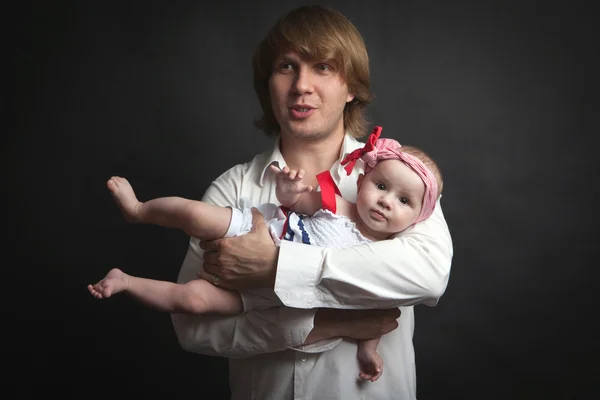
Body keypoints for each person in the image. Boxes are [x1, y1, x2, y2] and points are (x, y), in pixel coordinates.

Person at [171, 5, 453, 399]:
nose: (301, 85)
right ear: (268, 84)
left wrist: (276, 267)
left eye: (323, 67)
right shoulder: (233, 190)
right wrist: (324, 324)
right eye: (287, 66)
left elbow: (428, 275)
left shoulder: (401, 179)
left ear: (351, 87)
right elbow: (193, 328)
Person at [89, 127, 443, 383]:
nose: (386, 201)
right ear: (364, 180)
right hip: (265, 227)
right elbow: (298, 202)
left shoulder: (401, 245)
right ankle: (138, 210)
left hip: (265, 299)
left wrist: (368, 350)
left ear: (419, 217)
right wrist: (289, 191)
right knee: (197, 215)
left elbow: (379, 314)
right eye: (381, 187)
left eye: (403, 201)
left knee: (193, 300)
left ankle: (126, 281)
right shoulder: (340, 202)